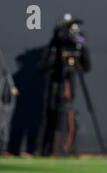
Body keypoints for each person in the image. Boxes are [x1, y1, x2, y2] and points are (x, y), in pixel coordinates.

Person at [37, 13, 91, 156]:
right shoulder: (54, 48)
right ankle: (48, 149)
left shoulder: (77, 45)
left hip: (69, 91)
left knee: (68, 114)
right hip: (54, 89)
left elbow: (86, 66)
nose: (72, 33)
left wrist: (80, 48)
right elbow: (42, 66)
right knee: (51, 117)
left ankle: (68, 148)